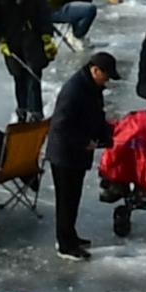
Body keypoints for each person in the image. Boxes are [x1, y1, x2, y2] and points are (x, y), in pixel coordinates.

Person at [46, 50, 118, 260]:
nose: (107, 81)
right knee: (65, 199)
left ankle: (71, 235)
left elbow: (96, 116)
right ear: (95, 70)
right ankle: (65, 244)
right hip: (64, 154)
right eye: (106, 75)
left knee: (74, 197)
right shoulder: (74, 90)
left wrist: (107, 136)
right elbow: (60, 126)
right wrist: (84, 142)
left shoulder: (92, 87)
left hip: (76, 154)